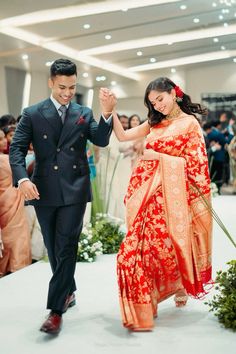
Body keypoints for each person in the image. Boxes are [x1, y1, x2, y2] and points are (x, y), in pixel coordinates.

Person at [9, 58, 115, 335]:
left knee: (66, 244)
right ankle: (69, 291)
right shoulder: (32, 113)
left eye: (72, 87)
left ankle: (55, 311)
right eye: (62, 87)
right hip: (43, 189)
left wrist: (106, 114)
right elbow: (17, 149)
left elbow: (100, 139)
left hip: (75, 188)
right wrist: (22, 179)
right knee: (53, 247)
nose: (68, 93)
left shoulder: (83, 111)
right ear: (51, 82)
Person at [101, 77, 213, 331]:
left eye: (160, 99)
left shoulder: (189, 124)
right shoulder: (155, 122)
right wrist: (110, 110)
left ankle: (177, 286)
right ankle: (146, 300)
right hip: (145, 195)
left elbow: (196, 165)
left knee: (167, 247)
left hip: (173, 199)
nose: (158, 106)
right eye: (152, 103)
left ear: (173, 93)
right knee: (137, 248)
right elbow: (122, 136)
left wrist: (158, 156)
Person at [0, 130, 31, 277]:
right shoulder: (8, 160)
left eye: (3, 138)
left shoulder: (8, 158)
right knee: (15, 235)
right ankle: (16, 265)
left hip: (9, 199)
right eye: (0, 139)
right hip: (9, 199)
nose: (4, 141)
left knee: (10, 235)